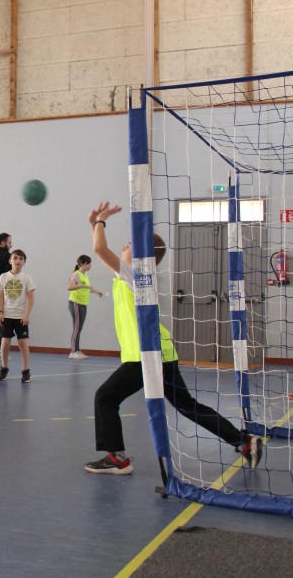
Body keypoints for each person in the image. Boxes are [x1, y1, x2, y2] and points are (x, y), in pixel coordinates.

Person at [84, 200, 263, 474]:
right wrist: (93, 225)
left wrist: (100, 221)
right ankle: (244, 442)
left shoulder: (134, 274)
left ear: (141, 254)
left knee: (105, 398)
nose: (125, 245)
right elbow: (101, 252)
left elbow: (99, 250)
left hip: (144, 356)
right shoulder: (133, 275)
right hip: (162, 353)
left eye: (130, 244)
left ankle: (117, 459)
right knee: (187, 405)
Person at [0, 250, 35, 384]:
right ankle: (4, 368)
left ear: (24, 262)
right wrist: (0, 312)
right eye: (15, 258)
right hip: (6, 315)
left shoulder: (27, 278)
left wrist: (27, 315)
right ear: (10, 261)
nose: (18, 261)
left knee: (22, 343)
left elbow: (31, 299)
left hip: (21, 317)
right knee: (5, 343)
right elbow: (0, 296)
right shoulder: (3, 277)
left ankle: (25, 371)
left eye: (21, 259)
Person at [67, 254, 104, 359]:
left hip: (83, 304)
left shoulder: (85, 275)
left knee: (79, 328)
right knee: (77, 328)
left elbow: (87, 288)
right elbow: (69, 287)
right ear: (83, 263)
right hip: (75, 303)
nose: (90, 266)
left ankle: (77, 350)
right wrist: (83, 285)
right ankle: (73, 352)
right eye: (89, 264)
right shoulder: (76, 274)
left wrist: (96, 292)